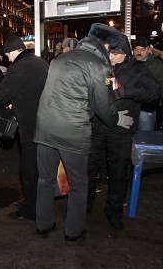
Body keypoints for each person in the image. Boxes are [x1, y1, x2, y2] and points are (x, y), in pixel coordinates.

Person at [33, 23, 133, 244]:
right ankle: (73, 232)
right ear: (105, 45)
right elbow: (103, 107)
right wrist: (118, 119)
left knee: (45, 179)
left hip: (45, 128)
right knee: (79, 183)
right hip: (72, 131)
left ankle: (43, 225)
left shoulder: (60, 59)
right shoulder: (98, 65)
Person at [87, 39, 161, 229]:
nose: (110, 57)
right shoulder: (101, 66)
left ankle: (114, 212)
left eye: (115, 53)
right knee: (88, 169)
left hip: (121, 132)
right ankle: (86, 206)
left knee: (118, 172)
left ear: (125, 54)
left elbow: (154, 93)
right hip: (96, 127)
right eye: (109, 53)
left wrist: (127, 92)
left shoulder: (137, 70)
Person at [0, 36, 49, 221]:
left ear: (13, 52)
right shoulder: (41, 62)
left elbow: (2, 93)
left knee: (29, 171)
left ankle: (30, 211)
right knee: (41, 169)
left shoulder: (18, 67)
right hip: (47, 123)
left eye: (8, 55)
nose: (8, 59)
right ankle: (36, 203)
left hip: (30, 126)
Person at [132, 36, 163, 131]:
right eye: (136, 49)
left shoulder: (157, 65)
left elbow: (158, 89)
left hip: (146, 108)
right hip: (130, 107)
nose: (138, 52)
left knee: (144, 138)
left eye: (142, 49)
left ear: (149, 50)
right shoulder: (129, 63)